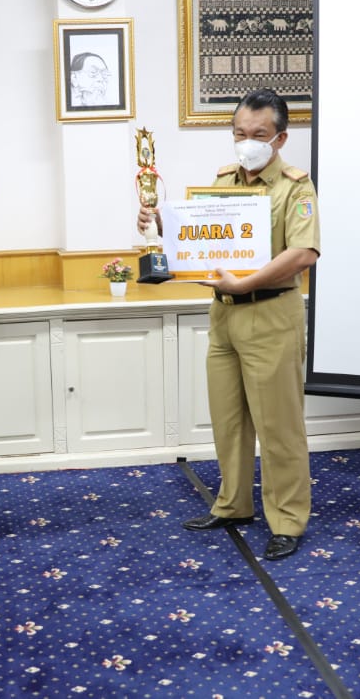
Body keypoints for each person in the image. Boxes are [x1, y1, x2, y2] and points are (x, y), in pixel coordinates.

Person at [138, 88, 318, 562]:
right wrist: (159, 223)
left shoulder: (296, 188)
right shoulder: (223, 181)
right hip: (224, 316)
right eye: (239, 133)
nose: (247, 142)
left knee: (278, 426)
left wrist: (246, 283)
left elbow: (303, 253)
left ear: (281, 138)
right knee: (229, 419)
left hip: (271, 313)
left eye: (259, 134)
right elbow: (204, 239)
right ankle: (233, 504)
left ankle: (287, 519)